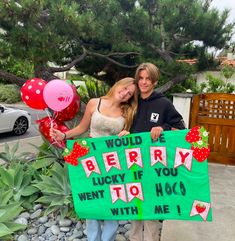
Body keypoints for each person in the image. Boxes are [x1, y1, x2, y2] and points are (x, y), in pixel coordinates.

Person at [50, 77, 138, 241]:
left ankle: (108, 238)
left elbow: (130, 138)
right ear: (117, 84)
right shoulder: (94, 103)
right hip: (90, 160)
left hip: (113, 162)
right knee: (92, 198)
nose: (126, 93)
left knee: (113, 200)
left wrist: (128, 135)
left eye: (130, 93)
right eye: (125, 88)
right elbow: (82, 128)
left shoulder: (128, 111)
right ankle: (93, 238)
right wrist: (63, 135)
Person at [129, 63, 185, 241]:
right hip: (133, 162)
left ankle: (152, 238)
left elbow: (180, 128)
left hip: (154, 165)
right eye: (141, 78)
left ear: (155, 81)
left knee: (151, 205)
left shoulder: (163, 103)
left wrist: (163, 127)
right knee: (135, 204)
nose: (144, 82)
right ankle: (134, 238)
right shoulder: (132, 102)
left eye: (148, 79)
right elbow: (124, 125)